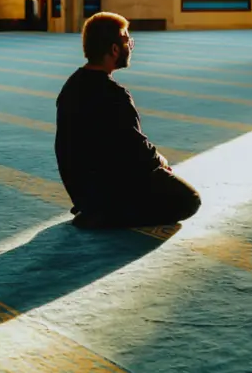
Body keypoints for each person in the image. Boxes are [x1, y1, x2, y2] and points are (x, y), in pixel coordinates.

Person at [54, 12, 202, 229]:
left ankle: (96, 210)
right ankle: (107, 216)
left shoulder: (70, 87)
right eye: (126, 39)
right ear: (114, 49)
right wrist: (159, 161)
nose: (130, 46)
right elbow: (136, 152)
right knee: (190, 200)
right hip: (109, 192)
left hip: (82, 191)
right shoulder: (115, 95)